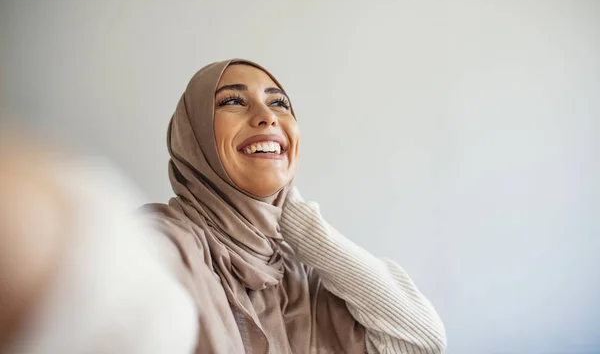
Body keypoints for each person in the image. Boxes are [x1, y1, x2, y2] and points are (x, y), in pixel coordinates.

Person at [0, 59, 446, 354]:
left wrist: (299, 222)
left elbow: (419, 339)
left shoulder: (303, 272)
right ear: (194, 139)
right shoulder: (167, 245)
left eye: (279, 103)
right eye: (233, 100)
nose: (267, 115)